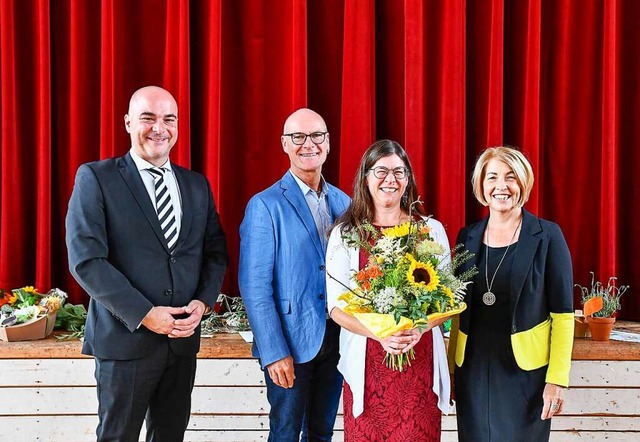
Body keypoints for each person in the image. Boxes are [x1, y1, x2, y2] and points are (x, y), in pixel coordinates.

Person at [65, 85, 228, 441]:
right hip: (125, 341)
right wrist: (145, 314)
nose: (159, 127)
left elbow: (215, 252)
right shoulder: (96, 178)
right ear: (127, 123)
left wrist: (202, 301)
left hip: (182, 341)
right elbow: (87, 260)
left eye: (169, 119)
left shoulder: (196, 184)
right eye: (148, 118)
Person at [325, 139, 451, 442]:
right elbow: (335, 308)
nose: (390, 180)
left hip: (419, 358)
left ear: (407, 180)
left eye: (399, 172)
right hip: (367, 362)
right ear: (365, 178)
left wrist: (418, 329)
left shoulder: (431, 231)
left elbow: (447, 299)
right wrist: (380, 334)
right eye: (381, 171)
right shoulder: (346, 234)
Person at [238, 108, 350, 441]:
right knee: (285, 433)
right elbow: (255, 286)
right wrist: (273, 351)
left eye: (316, 136)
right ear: (284, 145)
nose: (308, 144)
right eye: (297, 137)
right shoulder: (265, 205)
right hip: (290, 342)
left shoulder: (345, 203)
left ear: (327, 143)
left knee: (321, 432)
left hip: (336, 338)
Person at [449, 146, 574, 441]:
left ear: (523, 183)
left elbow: (564, 317)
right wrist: (452, 372)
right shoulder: (466, 237)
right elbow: (456, 313)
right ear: (481, 185)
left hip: (526, 376)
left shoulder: (547, 236)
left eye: (510, 177)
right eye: (492, 177)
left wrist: (556, 380)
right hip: (474, 371)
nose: (501, 186)